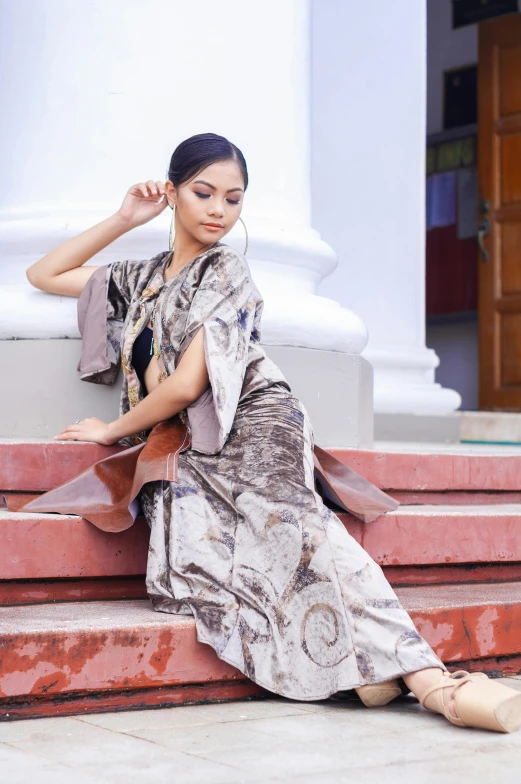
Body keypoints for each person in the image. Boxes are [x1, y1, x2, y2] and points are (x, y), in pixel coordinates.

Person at [26, 132, 521, 733]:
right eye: (203, 193)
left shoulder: (228, 270)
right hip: (188, 442)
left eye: (233, 200)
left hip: (258, 420)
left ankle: (433, 683)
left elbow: (185, 387)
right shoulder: (142, 277)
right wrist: (126, 217)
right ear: (174, 193)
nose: (217, 211)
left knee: (301, 533)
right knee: (222, 556)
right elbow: (44, 271)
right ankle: (371, 675)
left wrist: (111, 431)